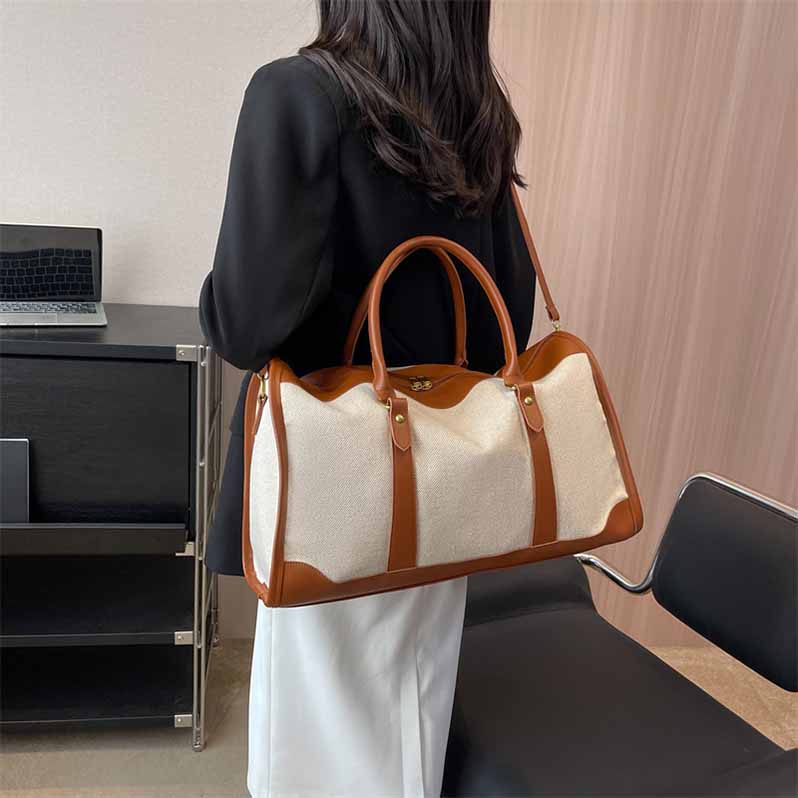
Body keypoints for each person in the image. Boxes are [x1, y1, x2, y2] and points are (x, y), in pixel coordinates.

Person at [198, 1, 537, 795]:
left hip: (335, 488)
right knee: (408, 718)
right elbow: (506, 325)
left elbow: (244, 326)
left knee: (322, 750)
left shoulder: (299, 95)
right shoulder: (476, 115)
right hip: (444, 486)